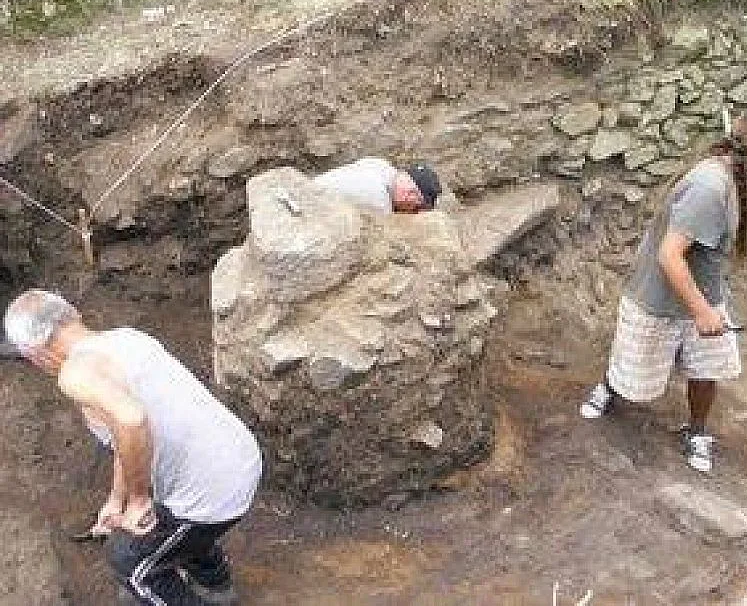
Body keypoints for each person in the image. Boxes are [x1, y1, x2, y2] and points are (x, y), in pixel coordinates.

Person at [4, 290, 262, 605]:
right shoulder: (126, 338)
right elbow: (122, 436)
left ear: (34, 354)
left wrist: (138, 500)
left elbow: (131, 419)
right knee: (177, 535)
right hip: (240, 456)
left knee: (131, 562)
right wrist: (117, 501)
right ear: (73, 315)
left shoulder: (75, 373)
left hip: (214, 492)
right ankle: (218, 588)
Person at [579, 105, 747, 473]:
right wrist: (702, 312)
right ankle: (609, 386)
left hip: (705, 291)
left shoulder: (733, 173)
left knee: (708, 368)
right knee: (634, 374)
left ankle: (697, 431)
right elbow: (669, 256)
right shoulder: (708, 187)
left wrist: (708, 306)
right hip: (661, 297)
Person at [312, 157, 442, 214]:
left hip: (302, 187)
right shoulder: (380, 202)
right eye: (412, 191)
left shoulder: (380, 164)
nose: (409, 197)